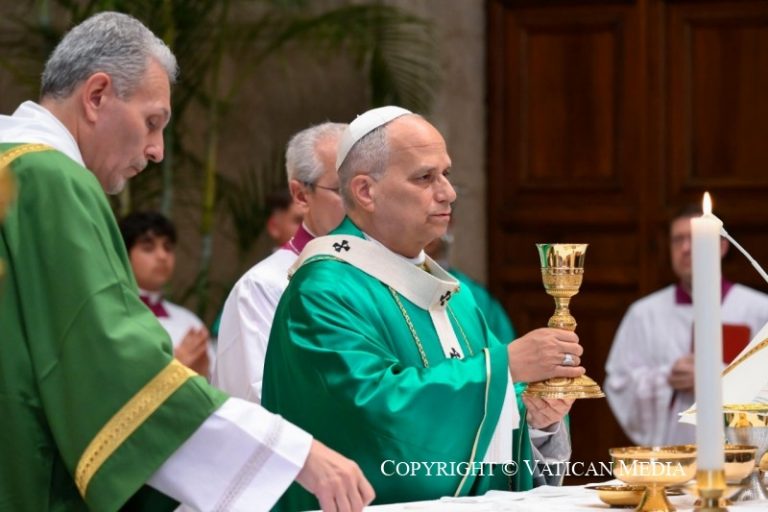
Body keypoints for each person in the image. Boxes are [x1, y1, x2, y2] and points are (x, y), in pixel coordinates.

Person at [0, 12, 373, 511]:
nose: (157, 151)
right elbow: (115, 367)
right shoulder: (50, 179)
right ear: (97, 96)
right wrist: (293, 453)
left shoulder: (13, 168)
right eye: (152, 122)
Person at [262, 106, 583, 510]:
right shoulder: (324, 291)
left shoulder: (454, 295)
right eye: (425, 177)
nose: (448, 192)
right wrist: (504, 367)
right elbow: (371, 414)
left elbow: (497, 407)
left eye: (446, 174)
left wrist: (536, 419)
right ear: (365, 191)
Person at [605, 204, 768, 446]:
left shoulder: (759, 309)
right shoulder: (644, 314)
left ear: (722, 246)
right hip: (672, 451)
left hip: (741, 452)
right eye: (677, 240)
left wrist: (716, 377)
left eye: (695, 238)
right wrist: (666, 378)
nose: (685, 248)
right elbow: (620, 384)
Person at [214, 122, 346, 403]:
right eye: (342, 189)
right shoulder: (263, 287)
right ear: (301, 195)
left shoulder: (391, 273)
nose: (362, 202)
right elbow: (256, 399)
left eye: (368, 186)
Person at [119, 211, 213, 378]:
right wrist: (176, 368)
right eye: (148, 248)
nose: (162, 256)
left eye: (168, 248)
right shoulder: (112, 318)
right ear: (123, 255)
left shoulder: (189, 322)